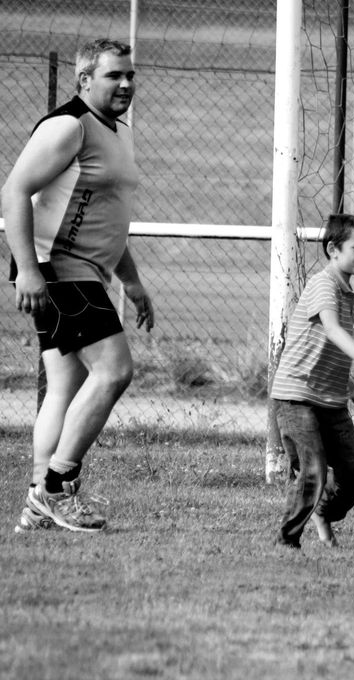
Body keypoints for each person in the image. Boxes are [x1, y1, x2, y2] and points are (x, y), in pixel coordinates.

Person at [3, 38, 154, 533]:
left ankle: (34, 504)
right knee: (113, 371)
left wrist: (131, 282)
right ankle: (55, 487)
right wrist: (27, 269)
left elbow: (109, 217)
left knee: (65, 386)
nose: (126, 83)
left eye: (130, 75)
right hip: (58, 269)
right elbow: (14, 192)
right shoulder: (68, 126)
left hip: (87, 272)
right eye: (114, 75)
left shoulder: (118, 131)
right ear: (85, 80)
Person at [271, 214, 354, 549]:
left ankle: (323, 512)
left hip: (331, 399)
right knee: (312, 472)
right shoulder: (323, 285)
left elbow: (329, 350)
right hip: (296, 395)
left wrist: (352, 389)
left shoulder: (347, 294)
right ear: (333, 249)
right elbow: (331, 330)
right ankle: (287, 541)